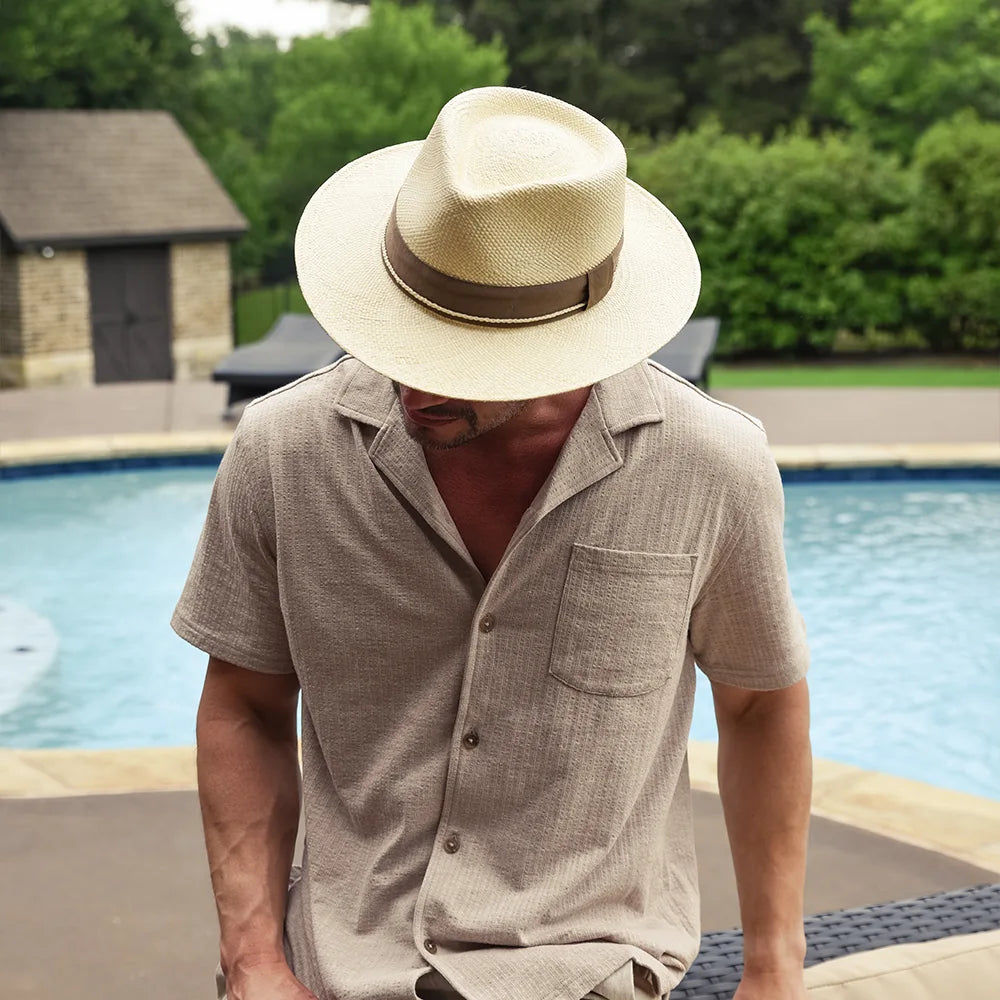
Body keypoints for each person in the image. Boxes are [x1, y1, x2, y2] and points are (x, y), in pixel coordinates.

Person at [173, 87, 811, 1000]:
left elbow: (758, 709)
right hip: (345, 967)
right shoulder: (282, 452)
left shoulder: (712, 467)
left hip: (589, 967)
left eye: (463, 355)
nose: (416, 383)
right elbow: (244, 706)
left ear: (566, 335)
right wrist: (252, 960)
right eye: (408, 332)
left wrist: (773, 969)